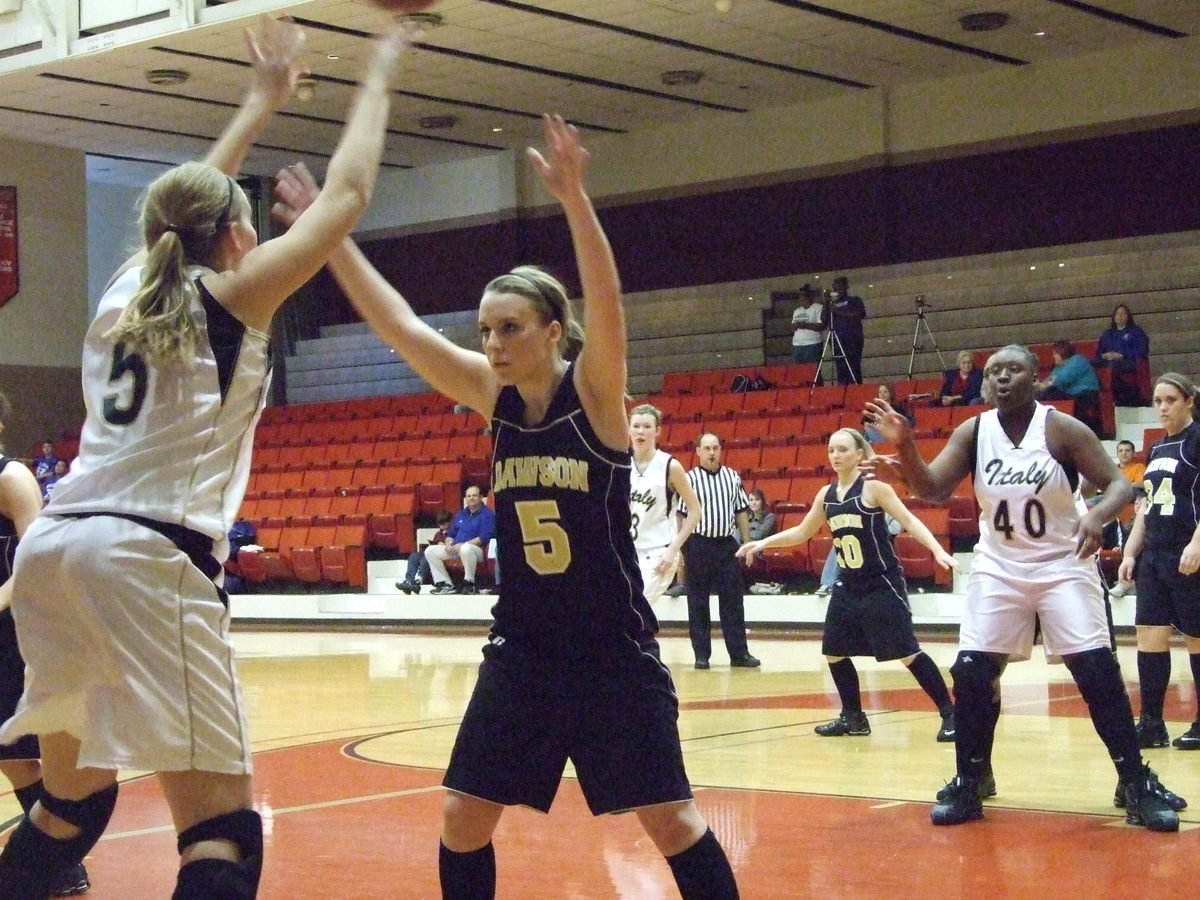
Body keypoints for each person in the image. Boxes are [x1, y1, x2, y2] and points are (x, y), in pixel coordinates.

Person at [273, 115, 740, 899]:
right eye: (486, 329)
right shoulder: (491, 398)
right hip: (523, 649)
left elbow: (608, 300)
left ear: (553, 332)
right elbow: (399, 324)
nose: (491, 342)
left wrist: (575, 200)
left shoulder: (592, 396)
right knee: (461, 814)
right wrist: (330, 235)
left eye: (509, 328)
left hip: (609, 652)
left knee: (671, 819)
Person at [0, 18, 407, 897]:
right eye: (251, 226)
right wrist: (382, 63)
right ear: (231, 238)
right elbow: (348, 197)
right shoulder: (230, 295)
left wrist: (258, 102)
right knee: (222, 831)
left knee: (71, 807)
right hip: (143, 558)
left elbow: (180, 205)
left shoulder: (124, 290)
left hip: (56, 551)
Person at [864, 344, 1184, 832]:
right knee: (972, 670)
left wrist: (1096, 514)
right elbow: (932, 489)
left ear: (1036, 380)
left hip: (1063, 562)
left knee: (1096, 669)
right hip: (1001, 566)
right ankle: (971, 781)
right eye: (993, 372)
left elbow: (1119, 486)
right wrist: (906, 446)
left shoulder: (1060, 428)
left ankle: (1134, 781)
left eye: (1013, 370)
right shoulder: (974, 430)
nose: (1001, 378)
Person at [738, 428, 958, 741]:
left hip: (881, 583)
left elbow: (909, 520)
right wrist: (760, 544)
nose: (836, 455)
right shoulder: (826, 496)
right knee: (834, 651)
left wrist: (937, 550)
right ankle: (853, 717)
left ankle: (950, 714)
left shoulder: (874, 490)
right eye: (831, 450)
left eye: (843, 450)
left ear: (858, 455)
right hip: (848, 585)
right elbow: (802, 533)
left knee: (907, 653)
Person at [0, 394, 91, 897]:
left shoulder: (11, 477)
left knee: (20, 757)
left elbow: (32, 562)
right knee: (10, 757)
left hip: (13, 632)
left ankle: (61, 858)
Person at [1117, 373, 1200, 752]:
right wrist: (1131, 552)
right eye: (1157, 401)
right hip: (1154, 556)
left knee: (1196, 639)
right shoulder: (1156, 449)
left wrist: (1197, 543)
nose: (1163, 407)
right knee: (1149, 636)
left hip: (1188, 553)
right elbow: (1146, 508)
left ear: (1188, 401)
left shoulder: (1196, 440)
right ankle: (1151, 722)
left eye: (1170, 400)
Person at [679, 432, 760, 670]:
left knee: (733, 602)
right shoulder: (689, 479)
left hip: (726, 546)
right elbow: (681, 515)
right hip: (698, 544)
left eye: (715, 448)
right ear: (698, 452)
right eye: (707, 448)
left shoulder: (732, 477)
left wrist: (747, 545)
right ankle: (701, 655)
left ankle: (739, 654)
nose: (712, 452)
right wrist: (682, 549)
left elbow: (741, 512)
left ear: (720, 450)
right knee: (697, 602)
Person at [628, 404, 702, 604]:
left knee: (634, 611)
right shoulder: (621, 463)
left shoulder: (670, 466)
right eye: (635, 426)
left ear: (657, 431)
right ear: (628, 429)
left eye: (646, 426)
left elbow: (695, 511)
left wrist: (674, 548)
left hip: (659, 552)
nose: (640, 431)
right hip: (626, 550)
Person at [425, 485, 496, 595]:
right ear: (466, 498)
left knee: (465, 548)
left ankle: (469, 583)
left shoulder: (487, 514)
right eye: (468, 496)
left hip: (477, 551)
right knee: (430, 551)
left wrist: (463, 544)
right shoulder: (461, 514)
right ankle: (446, 584)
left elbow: (485, 536)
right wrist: (448, 543)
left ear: (481, 497)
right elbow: (450, 534)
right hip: (456, 549)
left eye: (474, 495)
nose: (471, 498)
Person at [1036, 340, 1102, 434]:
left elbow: (1063, 378)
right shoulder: (1058, 367)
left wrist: (1043, 385)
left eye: (1055, 353)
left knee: (1051, 392)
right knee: (1047, 393)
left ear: (1063, 352)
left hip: (1086, 393)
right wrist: (1041, 386)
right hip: (1071, 394)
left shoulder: (1077, 359)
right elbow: (1049, 380)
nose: (1053, 356)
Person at [1094, 303, 1150, 406]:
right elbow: (1099, 351)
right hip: (1108, 361)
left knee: (1113, 368)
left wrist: (1122, 355)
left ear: (1128, 317)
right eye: (1117, 314)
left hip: (1128, 361)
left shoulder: (1136, 332)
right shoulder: (1107, 334)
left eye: (1123, 314)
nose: (1120, 316)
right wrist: (1104, 355)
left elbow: (1142, 350)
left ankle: (1125, 396)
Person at [396, 508, 452, 594]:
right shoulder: (438, 534)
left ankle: (419, 580)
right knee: (414, 556)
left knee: (427, 555)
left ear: (450, 522)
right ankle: (408, 580)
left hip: (445, 554)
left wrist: (444, 545)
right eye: (440, 525)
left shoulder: (454, 532)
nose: (442, 527)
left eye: (444, 524)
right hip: (435, 553)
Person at [824, 276, 866, 385]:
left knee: (853, 366)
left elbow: (860, 314)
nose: (837, 291)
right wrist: (826, 302)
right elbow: (823, 319)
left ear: (846, 287)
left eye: (840, 288)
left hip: (853, 338)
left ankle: (856, 389)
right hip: (837, 339)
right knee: (840, 367)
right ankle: (842, 390)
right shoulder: (832, 303)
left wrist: (838, 312)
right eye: (835, 289)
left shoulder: (854, 300)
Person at [789, 284, 824, 365]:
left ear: (809, 297)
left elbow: (821, 325)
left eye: (804, 298)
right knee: (799, 372)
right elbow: (792, 327)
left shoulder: (818, 308)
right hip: (797, 345)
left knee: (813, 371)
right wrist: (795, 326)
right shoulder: (797, 311)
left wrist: (805, 325)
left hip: (812, 344)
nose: (801, 300)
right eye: (800, 298)